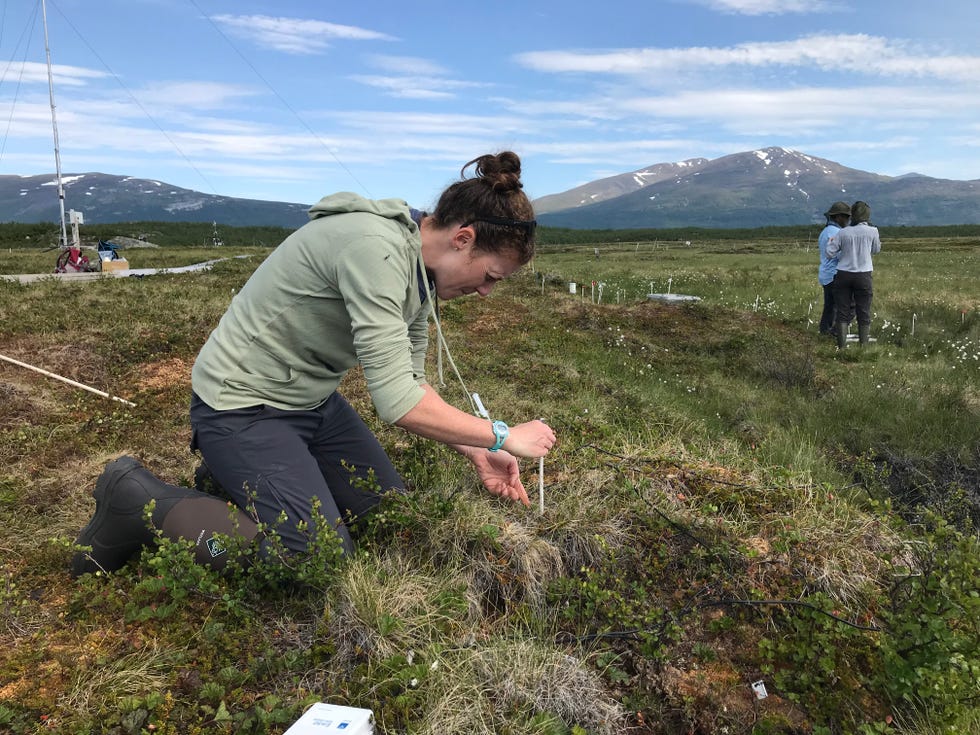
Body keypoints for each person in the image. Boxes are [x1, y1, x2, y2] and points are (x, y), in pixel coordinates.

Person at [71, 151, 557, 577]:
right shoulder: (375, 251)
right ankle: (138, 501)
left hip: (311, 404)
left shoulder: (418, 272)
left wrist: (475, 452)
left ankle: (235, 482)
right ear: (463, 238)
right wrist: (500, 434)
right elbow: (396, 403)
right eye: (491, 275)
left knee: (389, 517)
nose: (489, 291)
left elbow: (412, 383)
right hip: (239, 408)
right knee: (315, 558)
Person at [827, 200, 881, 348]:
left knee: (842, 312)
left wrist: (832, 242)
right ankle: (863, 346)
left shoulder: (843, 232)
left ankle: (842, 347)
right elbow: (876, 250)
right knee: (863, 311)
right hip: (863, 274)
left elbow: (830, 253)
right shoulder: (873, 231)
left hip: (844, 274)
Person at [817, 201, 850, 336]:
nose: (848, 220)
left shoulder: (826, 231)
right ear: (838, 217)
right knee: (836, 307)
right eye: (846, 217)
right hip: (834, 274)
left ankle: (825, 332)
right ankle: (831, 333)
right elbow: (839, 255)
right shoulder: (837, 233)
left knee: (830, 306)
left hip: (826, 274)